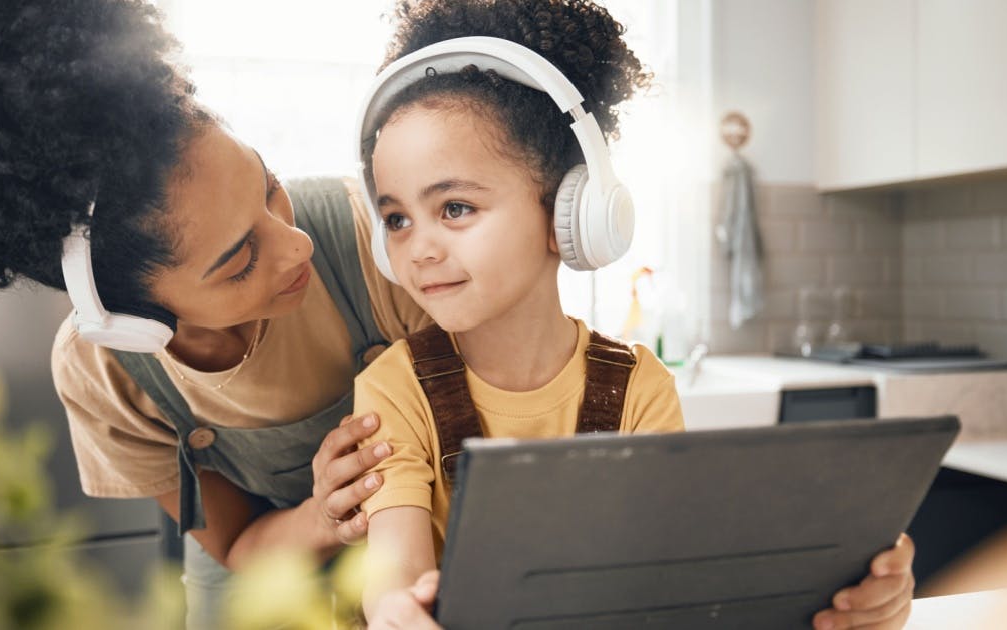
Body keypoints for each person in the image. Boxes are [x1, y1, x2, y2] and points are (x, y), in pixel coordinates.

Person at [0, 1, 428, 627]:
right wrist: (322, 516)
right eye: (240, 260)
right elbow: (239, 546)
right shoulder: (105, 371)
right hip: (269, 563)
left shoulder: (374, 239)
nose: (296, 246)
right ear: (133, 318)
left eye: (269, 187)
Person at [351, 2, 917, 629]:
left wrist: (852, 580)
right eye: (397, 218)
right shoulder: (394, 388)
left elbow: (669, 574)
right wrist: (396, 611)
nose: (419, 248)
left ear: (572, 211)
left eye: (455, 207)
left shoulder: (640, 389)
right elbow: (392, 580)